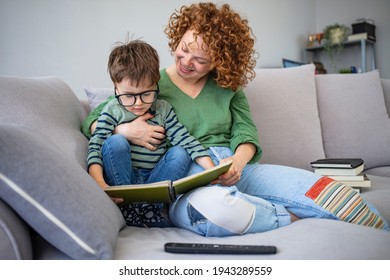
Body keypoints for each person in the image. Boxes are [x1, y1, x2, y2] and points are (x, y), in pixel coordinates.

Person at [82, 2, 388, 235]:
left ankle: (379, 233)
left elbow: (246, 133)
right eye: (184, 49)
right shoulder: (150, 83)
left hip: (234, 166)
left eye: (201, 59)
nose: (187, 61)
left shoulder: (228, 87)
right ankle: (286, 216)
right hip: (187, 177)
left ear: (220, 60)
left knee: (326, 190)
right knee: (217, 211)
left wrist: (237, 165)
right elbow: (94, 120)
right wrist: (127, 129)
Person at [87, 39, 215, 227]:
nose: (138, 104)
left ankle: (148, 209)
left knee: (180, 152)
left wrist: (211, 169)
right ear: (115, 88)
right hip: (123, 179)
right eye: (129, 96)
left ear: (156, 84)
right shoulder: (112, 110)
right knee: (115, 143)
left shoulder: (163, 109)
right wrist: (101, 184)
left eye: (147, 94)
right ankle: (129, 207)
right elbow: (96, 145)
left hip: (154, 180)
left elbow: (186, 140)